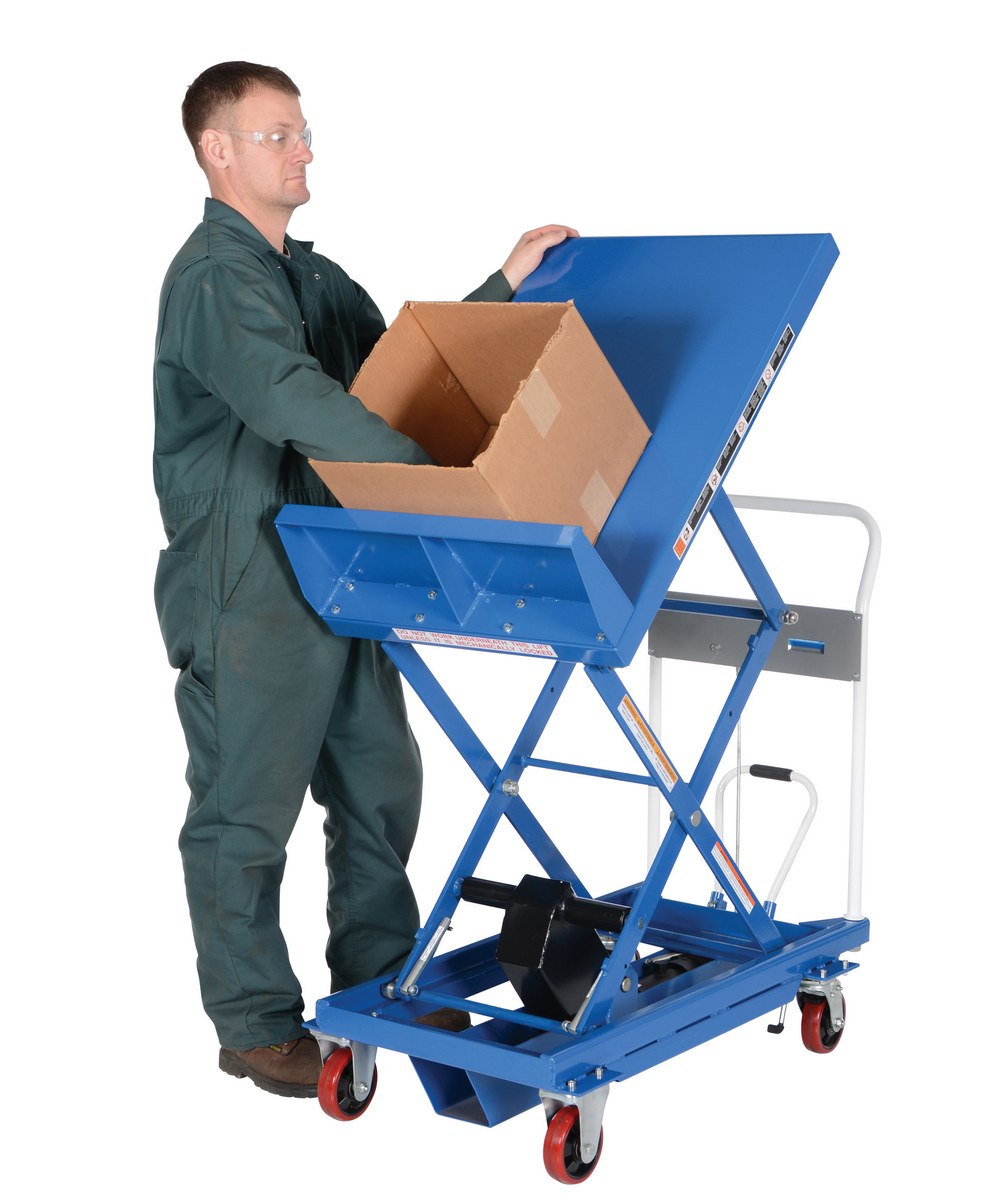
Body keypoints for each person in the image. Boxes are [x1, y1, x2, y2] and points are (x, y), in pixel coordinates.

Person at [153, 60, 577, 1099]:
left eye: (304, 133)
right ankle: (255, 1024)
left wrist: (502, 287)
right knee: (246, 812)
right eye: (278, 136)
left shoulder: (312, 277)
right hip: (247, 579)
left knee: (379, 783)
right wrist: (431, 477)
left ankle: (378, 984)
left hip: (342, 562)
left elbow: (396, 370)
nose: (303, 151)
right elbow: (291, 398)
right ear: (217, 151)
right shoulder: (213, 280)